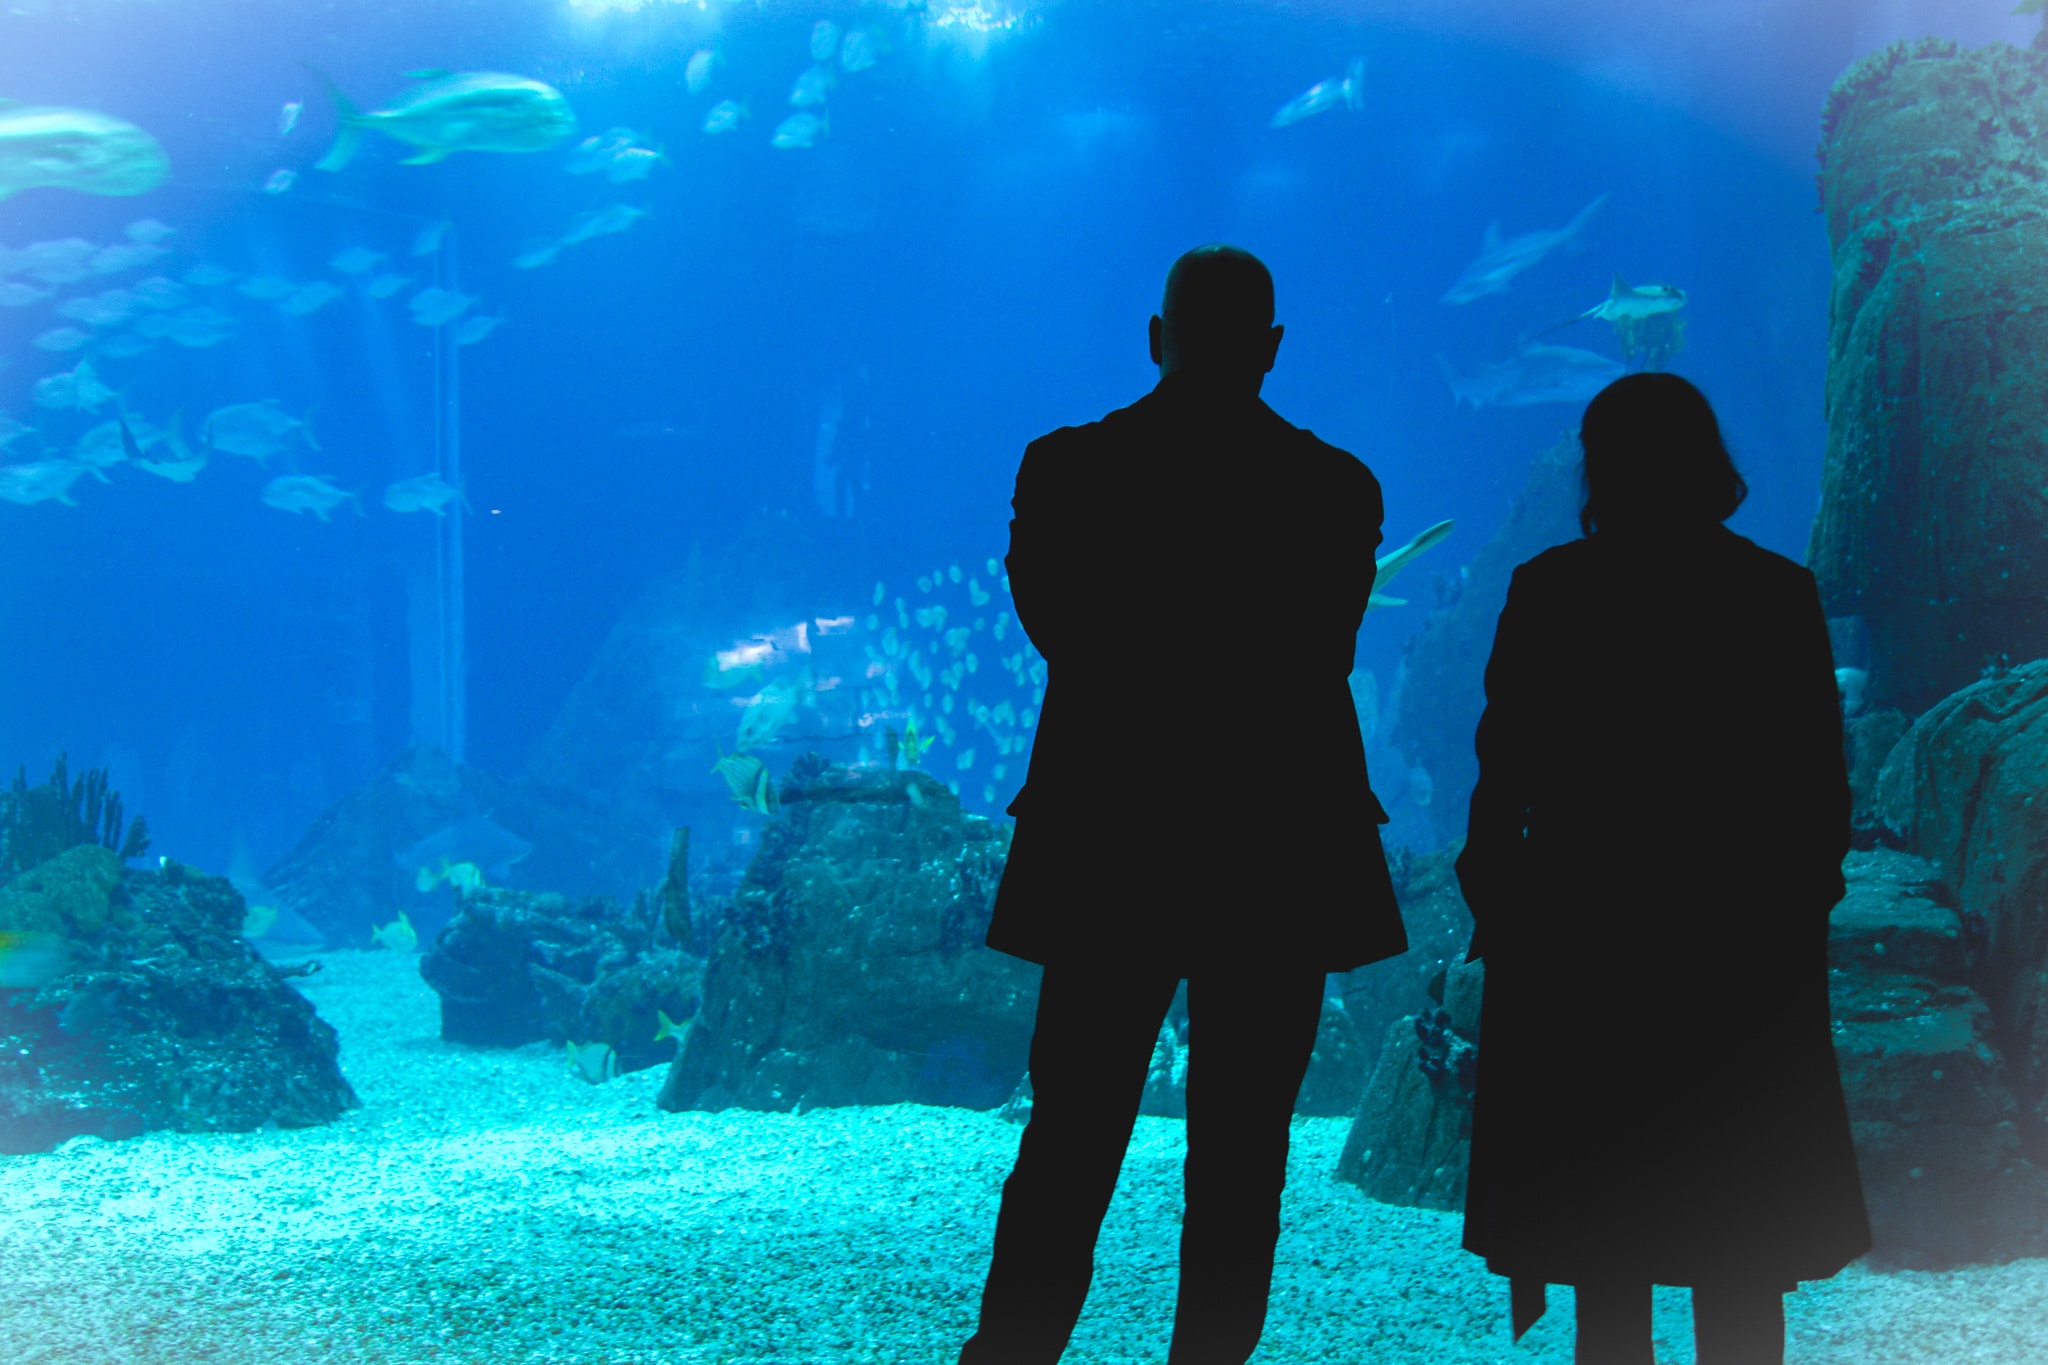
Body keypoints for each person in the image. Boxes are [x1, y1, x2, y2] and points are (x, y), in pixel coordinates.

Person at [957, 245, 1407, 1365]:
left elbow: (1061, 630)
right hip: (1278, 847)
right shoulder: (1337, 489)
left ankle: (1007, 1357)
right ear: (1270, 351)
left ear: (1154, 339)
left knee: (1067, 1137)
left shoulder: (1063, 470)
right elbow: (1319, 654)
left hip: (1111, 839)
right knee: (1242, 1156)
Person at [1455, 373, 1871, 1365]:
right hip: (1736, 959)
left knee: (1607, 1249)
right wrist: (1788, 912)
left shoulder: (1550, 590)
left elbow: (1499, 779)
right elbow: (1816, 793)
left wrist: (1504, 914)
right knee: (1740, 1250)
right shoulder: (1775, 594)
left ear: (1596, 470)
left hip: (1582, 952)